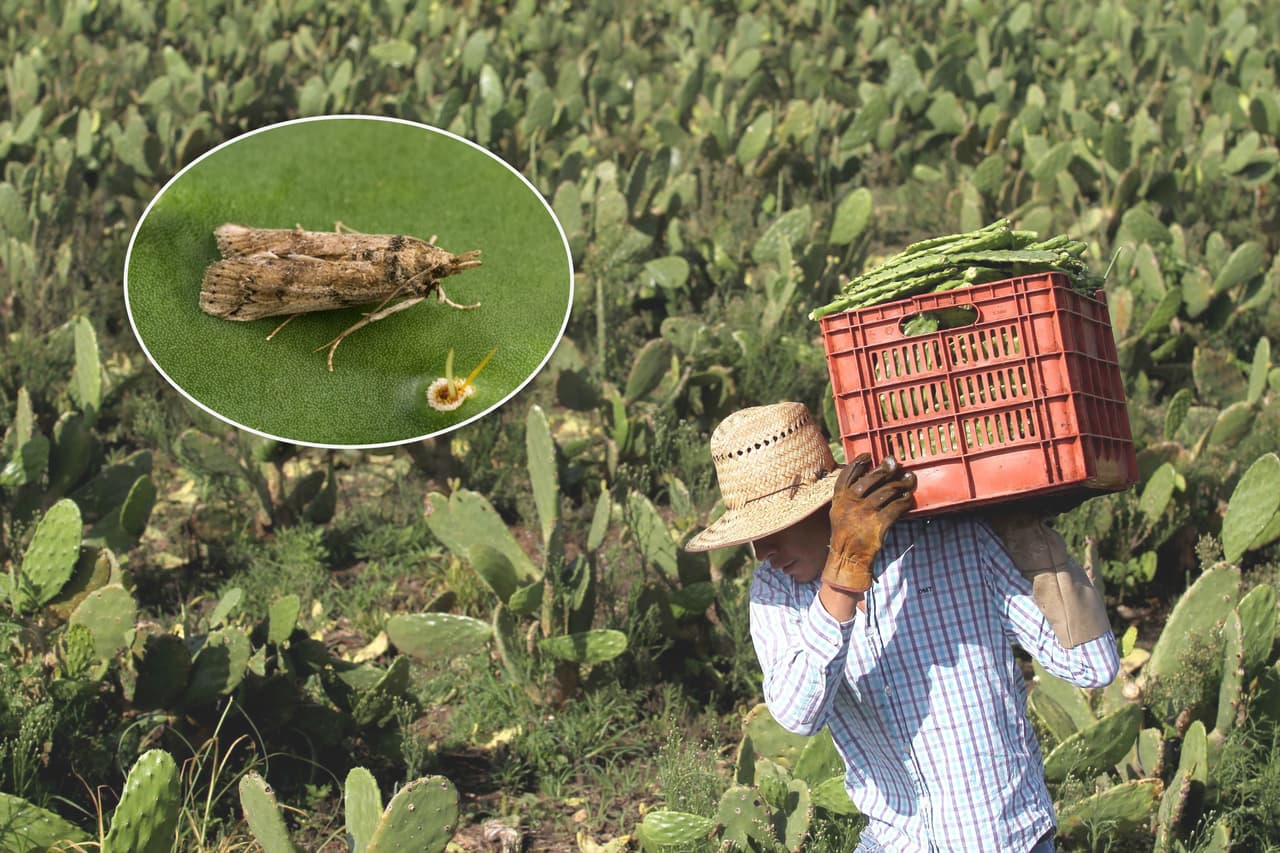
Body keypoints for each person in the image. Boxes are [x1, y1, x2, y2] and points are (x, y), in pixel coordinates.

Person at [685, 402, 1119, 852]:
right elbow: (798, 714)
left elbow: (1091, 664)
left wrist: (1027, 530)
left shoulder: (955, 540)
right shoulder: (776, 588)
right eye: (754, 535)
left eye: (776, 527)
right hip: (894, 841)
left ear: (828, 505)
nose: (764, 550)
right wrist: (843, 577)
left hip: (1000, 840)